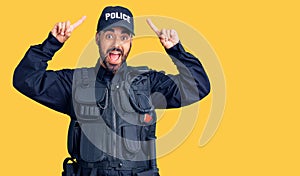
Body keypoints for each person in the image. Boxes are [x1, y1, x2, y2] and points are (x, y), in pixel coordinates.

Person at [13, 6, 210, 176]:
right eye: (109, 35)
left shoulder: (148, 82)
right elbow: (25, 79)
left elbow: (199, 87)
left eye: (124, 37)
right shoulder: (74, 83)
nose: (116, 44)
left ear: (131, 41)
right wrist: (52, 44)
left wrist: (176, 50)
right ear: (97, 38)